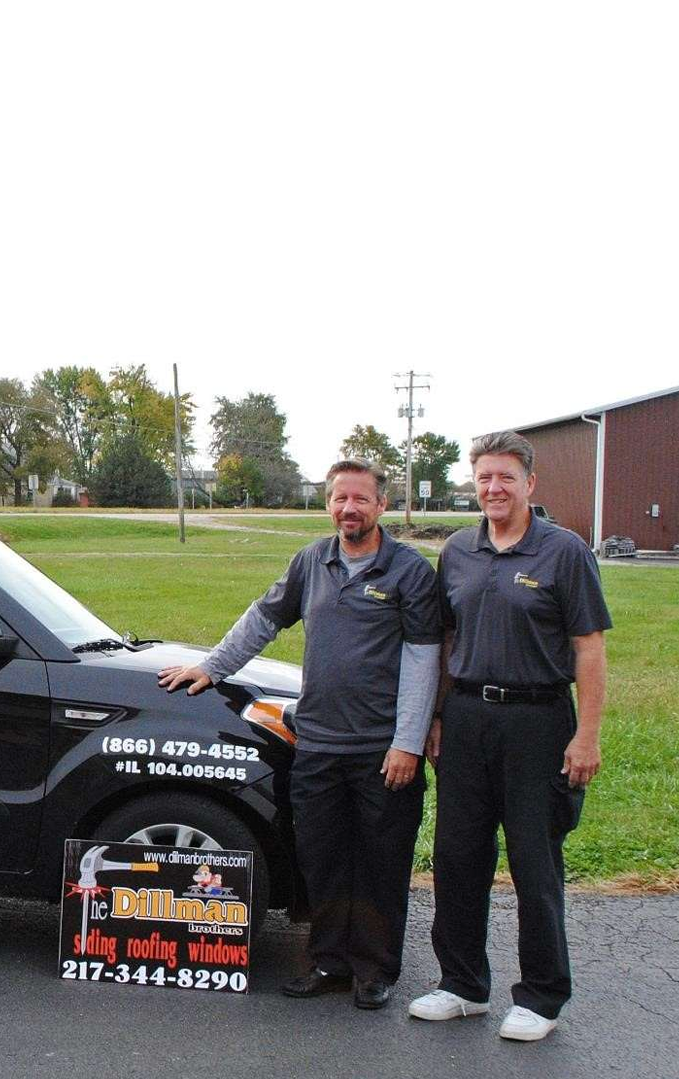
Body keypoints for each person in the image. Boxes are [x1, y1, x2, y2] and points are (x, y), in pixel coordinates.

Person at [159, 459, 440, 1010]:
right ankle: (329, 962)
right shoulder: (312, 560)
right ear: (329, 503)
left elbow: (425, 658)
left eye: (361, 499)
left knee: (381, 862)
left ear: (381, 505)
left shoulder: (410, 572)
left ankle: (374, 971)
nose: (349, 508)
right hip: (316, 745)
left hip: (382, 751)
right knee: (322, 860)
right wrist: (213, 668)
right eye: (340, 498)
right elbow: (264, 618)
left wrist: (407, 742)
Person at [408, 432, 610, 1042]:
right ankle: (462, 985)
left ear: (529, 484)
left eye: (505, 478)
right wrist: (438, 717)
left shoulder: (564, 552)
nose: (493, 489)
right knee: (458, 857)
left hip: (538, 722)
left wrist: (588, 736)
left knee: (533, 861)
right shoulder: (458, 552)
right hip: (468, 720)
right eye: (484, 478)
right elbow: (445, 642)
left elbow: (589, 648)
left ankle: (541, 997)